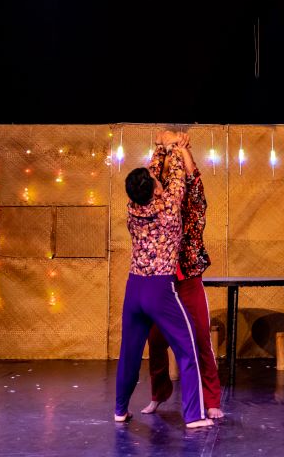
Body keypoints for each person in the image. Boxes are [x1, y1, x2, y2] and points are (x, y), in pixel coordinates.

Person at [114, 130, 212, 429]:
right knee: (187, 348)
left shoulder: (132, 208)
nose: (158, 181)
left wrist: (160, 148)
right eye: (156, 182)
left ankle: (119, 410)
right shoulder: (169, 207)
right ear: (156, 189)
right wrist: (174, 145)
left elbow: (149, 176)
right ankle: (194, 416)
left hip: (134, 288)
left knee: (129, 352)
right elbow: (180, 176)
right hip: (159, 289)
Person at [141, 136, 223, 419]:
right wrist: (160, 148)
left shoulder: (191, 209)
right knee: (156, 340)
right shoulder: (154, 207)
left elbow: (196, 184)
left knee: (201, 339)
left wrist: (183, 150)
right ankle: (158, 394)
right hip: (161, 282)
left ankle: (212, 400)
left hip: (188, 279)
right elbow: (148, 179)